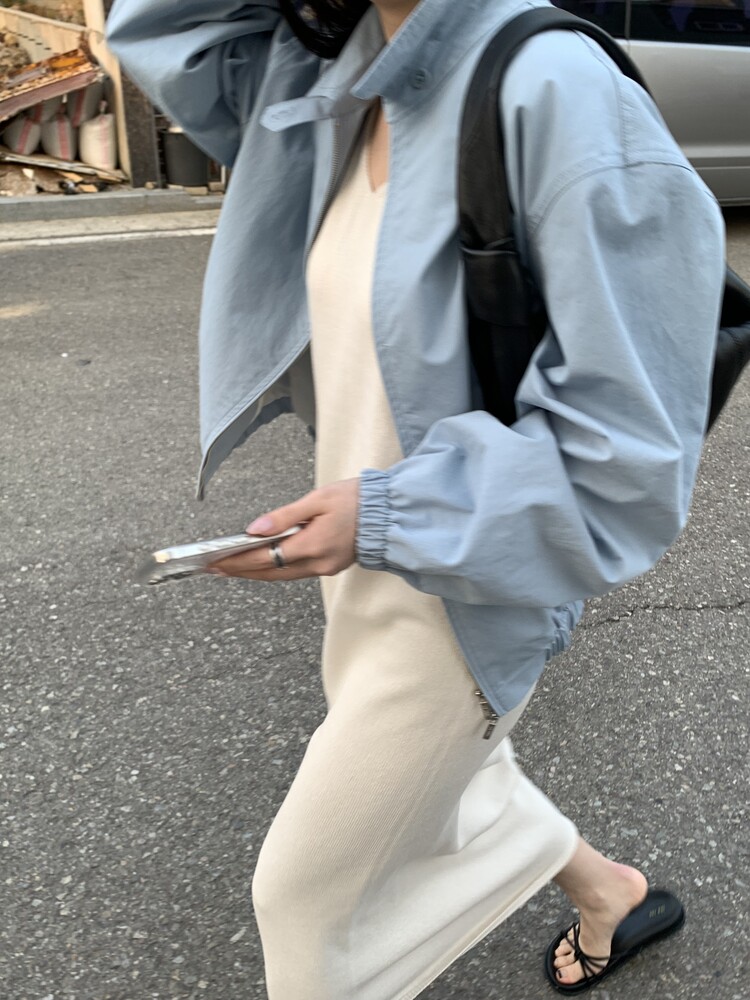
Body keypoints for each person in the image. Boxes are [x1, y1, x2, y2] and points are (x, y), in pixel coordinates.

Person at [106, 1, 725, 997]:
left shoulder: (557, 93)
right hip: (365, 563)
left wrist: (387, 516)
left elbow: (626, 459)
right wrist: (371, 522)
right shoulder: (331, 76)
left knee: (306, 906)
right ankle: (608, 892)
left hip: (461, 600)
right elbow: (164, 33)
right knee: (458, 776)